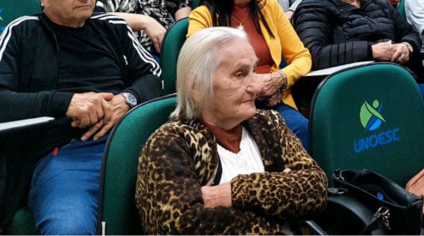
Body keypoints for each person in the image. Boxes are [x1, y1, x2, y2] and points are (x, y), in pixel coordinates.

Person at [0, 0, 161, 235]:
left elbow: (154, 76)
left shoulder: (112, 27)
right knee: (71, 228)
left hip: (135, 142)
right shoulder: (24, 31)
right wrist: (64, 102)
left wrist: (128, 100)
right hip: (67, 152)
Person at [136, 28, 327, 234]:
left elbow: (316, 188)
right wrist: (281, 203)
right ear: (197, 85)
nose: (255, 86)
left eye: (254, 71)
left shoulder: (269, 123)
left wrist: (234, 192)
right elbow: (183, 228)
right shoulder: (169, 144)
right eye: (240, 74)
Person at [292, 0, 424, 153]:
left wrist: (406, 46)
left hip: (395, 79)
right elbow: (314, 53)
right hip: (355, 89)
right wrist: (371, 51)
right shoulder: (314, 7)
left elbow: (409, 32)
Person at [188, 0, 312, 147]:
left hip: (273, 100)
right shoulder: (203, 17)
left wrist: (280, 77)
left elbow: (302, 56)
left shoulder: (270, 7)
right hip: (228, 106)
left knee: (301, 128)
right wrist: (251, 86)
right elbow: (199, 68)